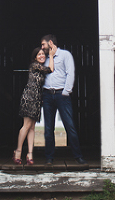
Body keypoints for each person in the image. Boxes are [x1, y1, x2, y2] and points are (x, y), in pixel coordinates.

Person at [40, 34, 87, 165]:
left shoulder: (65, 55)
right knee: (48, 129)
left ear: (50, 43)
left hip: (61, 94)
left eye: (43, 44)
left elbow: (70, 73)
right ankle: (49, 158)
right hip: (47, 94)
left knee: (69, 126)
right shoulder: (44, 58)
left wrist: (66, 92)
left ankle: (78, 156)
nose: (42, 47)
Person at [14, 46, 56, 165]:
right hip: (29, 98)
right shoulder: (34, 65)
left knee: (32, 127)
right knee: (26, 126)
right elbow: (50, 69)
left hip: (37, 100)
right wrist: (51, 56)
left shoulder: (40, 67)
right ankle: (18, 151)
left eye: (43, 54)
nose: (42, 56)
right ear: (35, 57)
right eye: (39, 55)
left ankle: (30, 154)